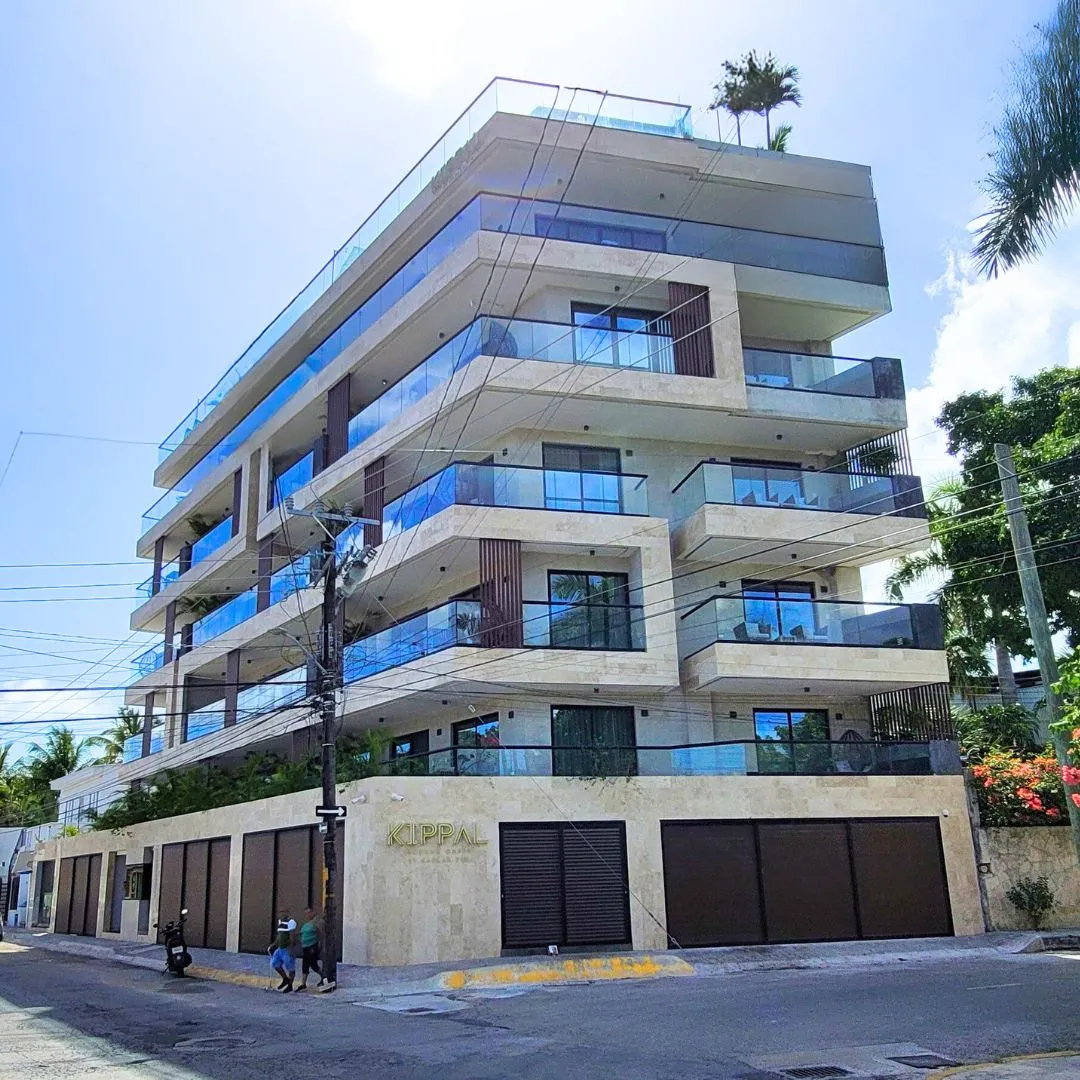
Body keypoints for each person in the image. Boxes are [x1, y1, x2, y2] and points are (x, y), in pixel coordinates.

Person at [296, 907, 325, 991]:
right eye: (306, 913)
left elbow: (321, 934)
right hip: (305, 946)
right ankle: (323, 977)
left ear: (312, 912)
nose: (308, 915)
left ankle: (304, 984)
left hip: (312, 946)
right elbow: (301, 933)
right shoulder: (306, 924)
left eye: (309, 913)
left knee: (309, 964)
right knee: (311, 965)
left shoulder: (317, 922)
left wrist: (320, 945)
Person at [268, 917, 296, 992]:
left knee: (290, 967)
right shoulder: (280, 923)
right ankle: (285, 979)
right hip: (280, 948)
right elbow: (279, 936)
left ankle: (290, 985)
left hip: (287, 948)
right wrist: (273, 944)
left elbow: (292, 936)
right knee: (274, 963)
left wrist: (291, 948)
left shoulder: (291, 922)